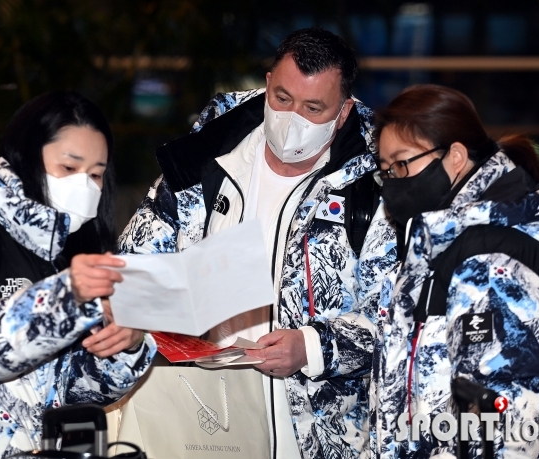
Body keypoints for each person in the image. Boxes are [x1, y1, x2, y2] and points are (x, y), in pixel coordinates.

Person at [118, 28, 398, 458]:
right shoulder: (204, 162)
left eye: (313, 108)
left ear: (343, 113)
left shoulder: (373, 190)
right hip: (199, 413)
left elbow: (396, 317)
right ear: (267, 84)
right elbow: (133, 265)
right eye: (283, 99)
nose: (292, 119)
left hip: (314, 433)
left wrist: (310, 347)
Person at [0, 91, 156, 458]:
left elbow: (63, 390)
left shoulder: (60, 251)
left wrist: (123, 347)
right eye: (68, 168)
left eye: (96, 174)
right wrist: (65, 298)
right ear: (25, 156)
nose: (83, 185)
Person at [373, 84, 539, 458]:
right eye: (385, 171)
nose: (393, 182)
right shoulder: (453, 244)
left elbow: (506, 428)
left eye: (402, 164)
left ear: (456, 156)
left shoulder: (490, 262)